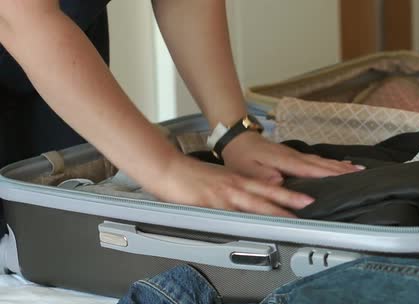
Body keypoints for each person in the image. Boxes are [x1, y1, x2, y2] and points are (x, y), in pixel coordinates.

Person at [0, 0, 362, 236]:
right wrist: (164, 169)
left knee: (62, 237)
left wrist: (233, 132)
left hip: (64, 39)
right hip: (30, 24)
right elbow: (17, 16)